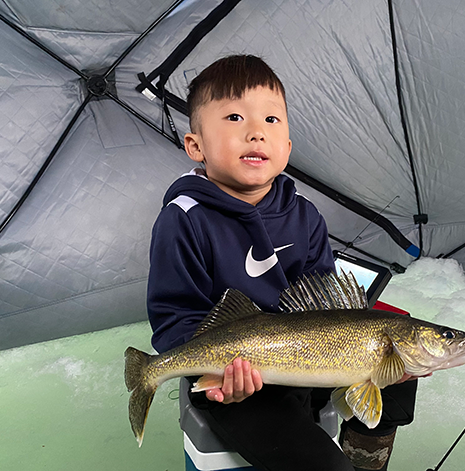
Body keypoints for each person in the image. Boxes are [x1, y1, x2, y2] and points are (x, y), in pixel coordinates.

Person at [147, 54, 417, 471]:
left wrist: (381, 359)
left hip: (310, 356)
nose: (256, 132)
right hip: (240, 379)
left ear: (287, 146)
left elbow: (325, 298)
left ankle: (366, 454)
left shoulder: (306, 214)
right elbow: (175, 317)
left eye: (271, 121)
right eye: (235, 117)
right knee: (320, 464)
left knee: (400, 369)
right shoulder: (183, 219)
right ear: (195, 145)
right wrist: (225, 371)